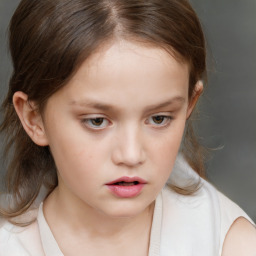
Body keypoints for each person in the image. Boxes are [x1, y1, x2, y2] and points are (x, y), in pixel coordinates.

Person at [0, 0, 255, 255]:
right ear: (34, 118)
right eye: (97, 121)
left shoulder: (232, 245)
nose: (131, 155)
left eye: (159, 118)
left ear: (190, 104)